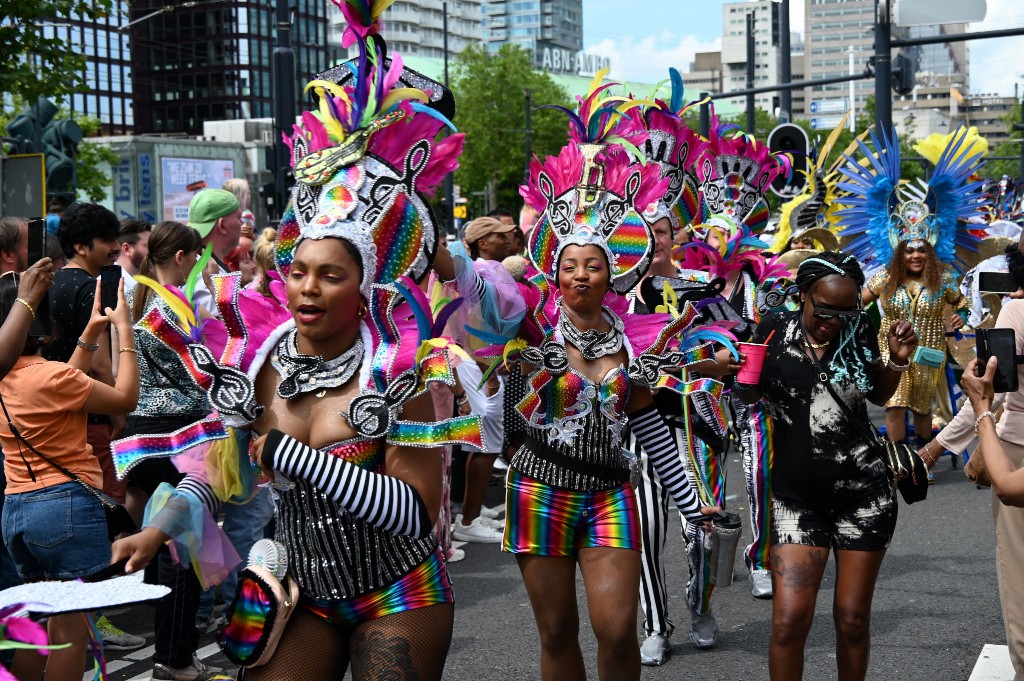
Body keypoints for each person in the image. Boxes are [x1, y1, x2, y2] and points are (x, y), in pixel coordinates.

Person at [112, 12, 477, 677]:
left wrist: (288, 452)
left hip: (398, 589)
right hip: (301, 589)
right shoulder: (261, 361)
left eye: (331, 274)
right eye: (298, 270)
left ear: (364, 283)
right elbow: (225, 475)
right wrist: (158, 529)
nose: (308, 288)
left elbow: (413, 510)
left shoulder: (400, 370)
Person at [507, 79, 720, 680]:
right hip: (536, 492)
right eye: (569, 263)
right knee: (555, 634)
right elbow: (472, 292)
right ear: (554, 266)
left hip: (610, 493)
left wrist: (690, 502)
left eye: (593, 264)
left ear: (614, 270)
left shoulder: (636, 339)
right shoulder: (528, 327)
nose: (580, 275)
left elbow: (650, 423)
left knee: (617, 629)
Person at [734, 252, 918, 681]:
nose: (833, 321)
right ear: (803, 296)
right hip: (797, 500)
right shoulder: (774, 329)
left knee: (852, 619)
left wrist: (897, 359)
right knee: (787, 622)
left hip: (864, 496)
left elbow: (876, 393)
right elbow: (748, 395)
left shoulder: (860, 328)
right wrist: (733, 373)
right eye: (825, 310)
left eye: (844, 312)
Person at [1, 273, 139, 681]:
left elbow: (62, 387)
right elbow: (126, 398)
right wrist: (125, 330)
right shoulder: (51, 378)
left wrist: (90, 335)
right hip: (64, 512)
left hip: (17, 512)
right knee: (70, 630)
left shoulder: (11, 376)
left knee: (41, 620)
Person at [836, 127, 984, 458]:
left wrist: (961, 320)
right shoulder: (885, 278)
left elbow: (963, 306)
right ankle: (897, 461)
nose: (915, 255)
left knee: (921, 409)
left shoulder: (943, 278)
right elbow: (857, 304)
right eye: (908, 250)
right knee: (895, 405)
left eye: (920, 250)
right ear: (899, 252)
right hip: (892, 352)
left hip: (930, 352)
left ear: (928, 251)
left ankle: (919, 461)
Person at [122, 220, 223, 681]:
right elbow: (201, 375)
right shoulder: (169, 308)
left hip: (141, 435)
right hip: (178, 437)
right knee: (182, 551)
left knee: (169, 549)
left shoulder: (134, 298)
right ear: (180, 257)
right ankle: (175, 657)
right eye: (195, 256)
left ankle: (174, 652)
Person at [924, 238, 1024, 678]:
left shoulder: (1015, 310)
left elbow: (987, 391)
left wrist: (938, 445)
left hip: (1015, 450)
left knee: (1020, 574)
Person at [186, 188, 243, 315]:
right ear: (222, 225)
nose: (243, 224)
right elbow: (224, 330)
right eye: (239, 218)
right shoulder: (203, 276)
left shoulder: (203, 266)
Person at [116, 219, 151, 293]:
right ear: (127, 249)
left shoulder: (144, 282)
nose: (154, 251)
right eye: (149, 246)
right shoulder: (111, 286)